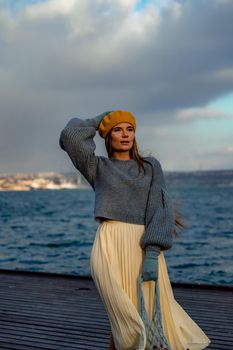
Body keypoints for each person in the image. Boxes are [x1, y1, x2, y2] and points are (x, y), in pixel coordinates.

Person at [59, 110, 211, 350]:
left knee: (143, 316)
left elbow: (160, 209)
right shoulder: (97, 167)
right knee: (122, 318)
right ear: (108, 136)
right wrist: (101, 120)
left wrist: (152, 252)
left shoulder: (150, 166)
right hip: (109, 244)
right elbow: (70, 135)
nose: (125, 134)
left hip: (143, 246)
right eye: (117, 129)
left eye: (129, 129)